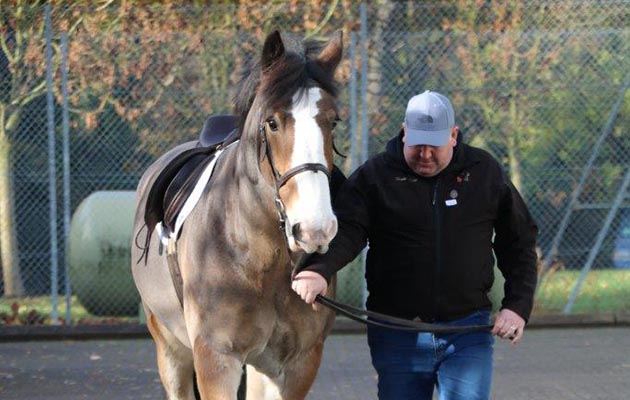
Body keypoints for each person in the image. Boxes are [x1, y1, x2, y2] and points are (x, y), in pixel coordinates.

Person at [291, 90, 538, 400]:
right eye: (417, 143)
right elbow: (348, 230)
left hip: (466, 332)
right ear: (404, 131)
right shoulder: (375, 177)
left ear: (453, 136)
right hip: (396, 332)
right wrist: (319, 271)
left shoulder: (483, 172)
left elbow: (519, 241)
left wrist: (517, 307)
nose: (424, 154)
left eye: (434, 145)